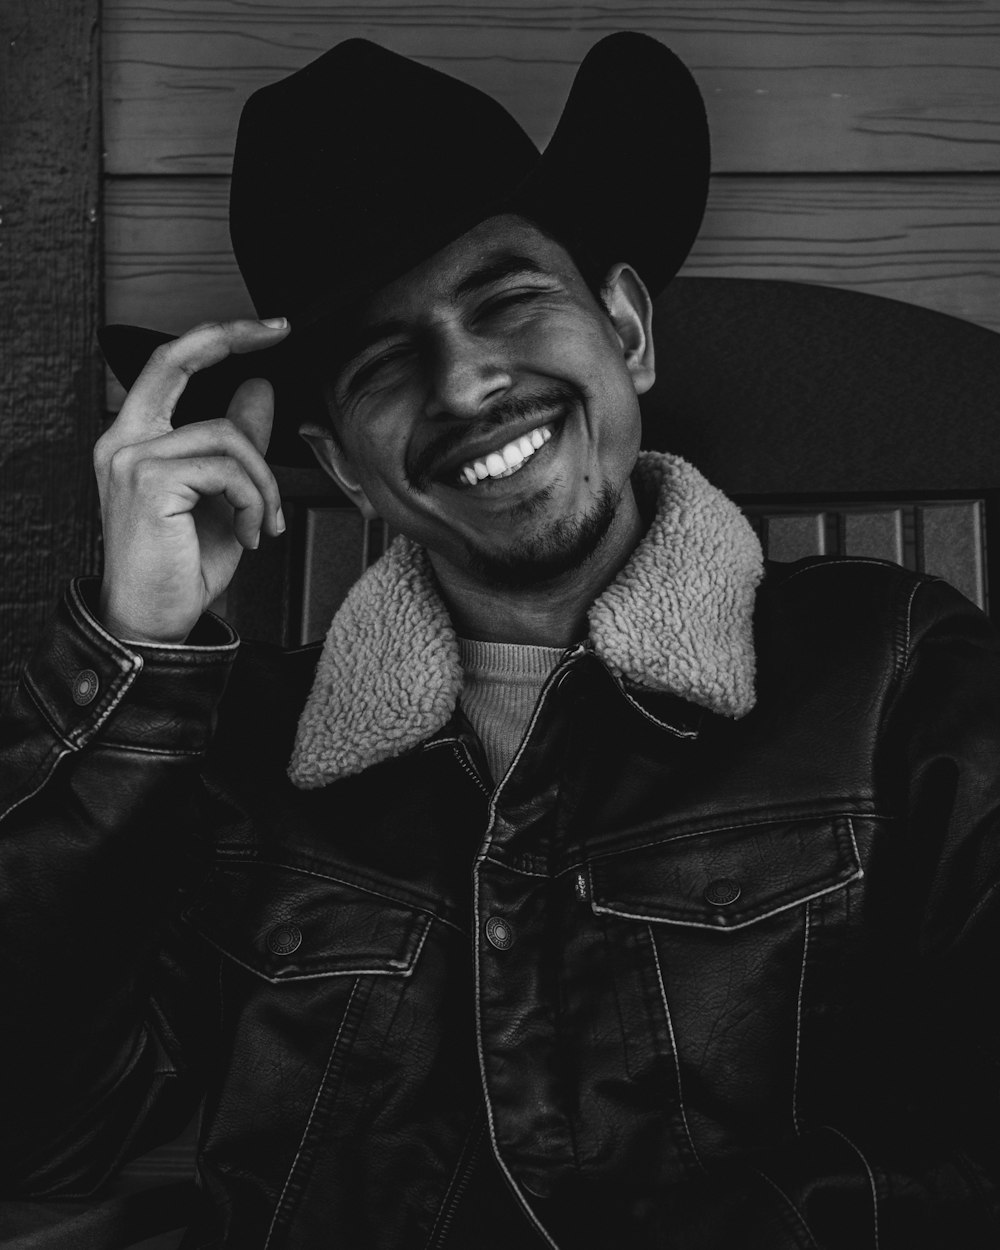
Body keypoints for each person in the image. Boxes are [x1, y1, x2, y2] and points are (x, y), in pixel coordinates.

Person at [2, 31, 999, 1250]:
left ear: (625, 327)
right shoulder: (241, 754)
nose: (466, 384)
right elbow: (42, 1135)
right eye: (382, 363)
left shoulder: (891, 669)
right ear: (341, 471)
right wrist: (135, 654)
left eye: (509, 299)